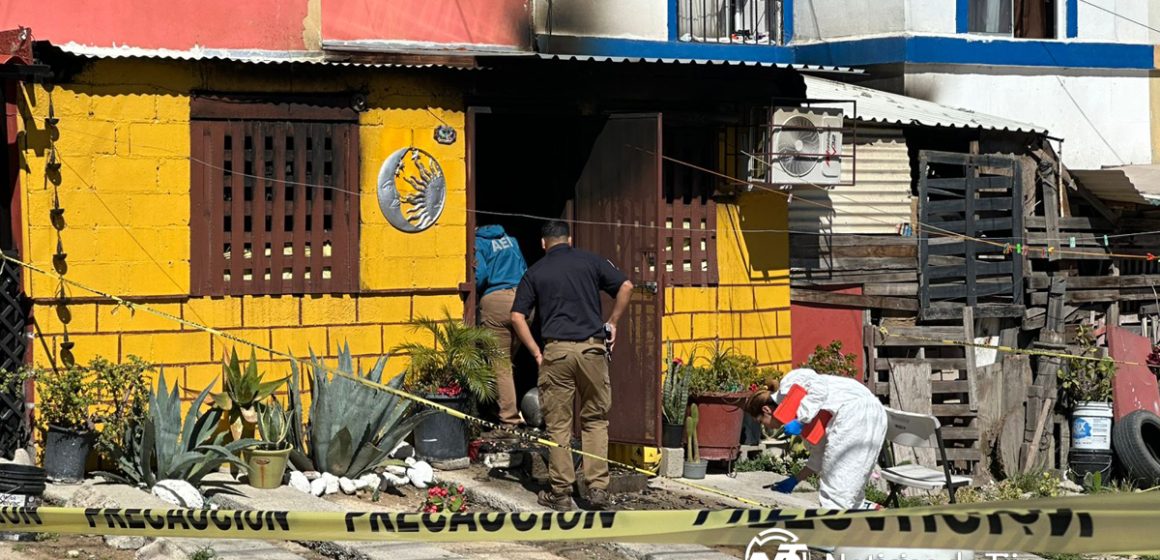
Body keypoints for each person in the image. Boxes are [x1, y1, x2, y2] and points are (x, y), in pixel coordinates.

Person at [511, 220, 634, 511]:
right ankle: (597, 490)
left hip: (557, 352)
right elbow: (626, 286)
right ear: (570, 239)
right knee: (595, 420)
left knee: (559, 425)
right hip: (592, 349)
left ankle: (561, 493)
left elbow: (517, 317)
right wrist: (612, 323)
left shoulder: (535, 272)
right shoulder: (590, 261)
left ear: (543, 243)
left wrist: (537, 354)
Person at [745, 368, 888, 510]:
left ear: (766, 410)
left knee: (836, 494)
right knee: (851, 491)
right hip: (870, 416)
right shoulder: (799, 418)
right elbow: (820, 453)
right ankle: (876, 520)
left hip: (855, 413)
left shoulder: (787, 386)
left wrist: (802, 419)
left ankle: (833, 529)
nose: (764, 426)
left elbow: (819, 387)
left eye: (761, 422)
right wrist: (795, 480)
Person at [474, 224, 529, 428]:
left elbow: (480, 277)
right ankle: (498, 406)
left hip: (496, 301)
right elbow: (525, 269)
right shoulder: (511, 240)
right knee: (508, 363)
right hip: (522, 300)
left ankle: (509, 418)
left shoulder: (478, 242)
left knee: (500, 365)